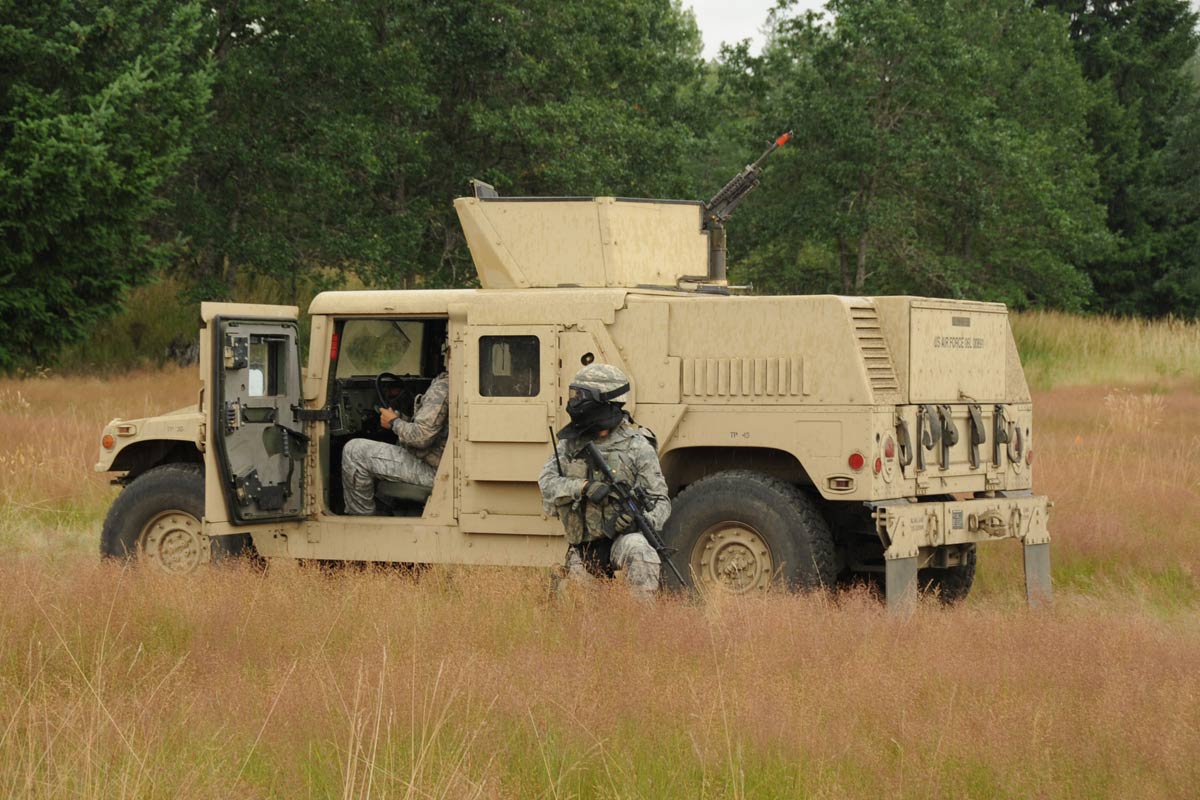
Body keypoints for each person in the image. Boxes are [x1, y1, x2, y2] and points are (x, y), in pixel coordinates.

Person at [538, 363, 670, 597]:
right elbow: (547, 484)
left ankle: (642, 627)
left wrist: (638, 521)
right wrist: (583, 487)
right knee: (578, 611)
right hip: (584, 548)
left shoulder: (637, 446)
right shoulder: (570, 444)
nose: (575, 402)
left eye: (582, 396)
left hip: (621, 542)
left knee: (641, 551)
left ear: (606, 401)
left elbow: (661, 501)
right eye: (574, 395)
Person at [341, 341, 450, 515]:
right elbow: (436, 429)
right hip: (443, 464)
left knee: (354, 451)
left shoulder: (444, 387)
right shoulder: (457, 381)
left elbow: (421, 437)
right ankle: (389, 510)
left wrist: (394, 423)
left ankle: (361, 522)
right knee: (398, 443)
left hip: (434, 471)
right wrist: (401, 420)